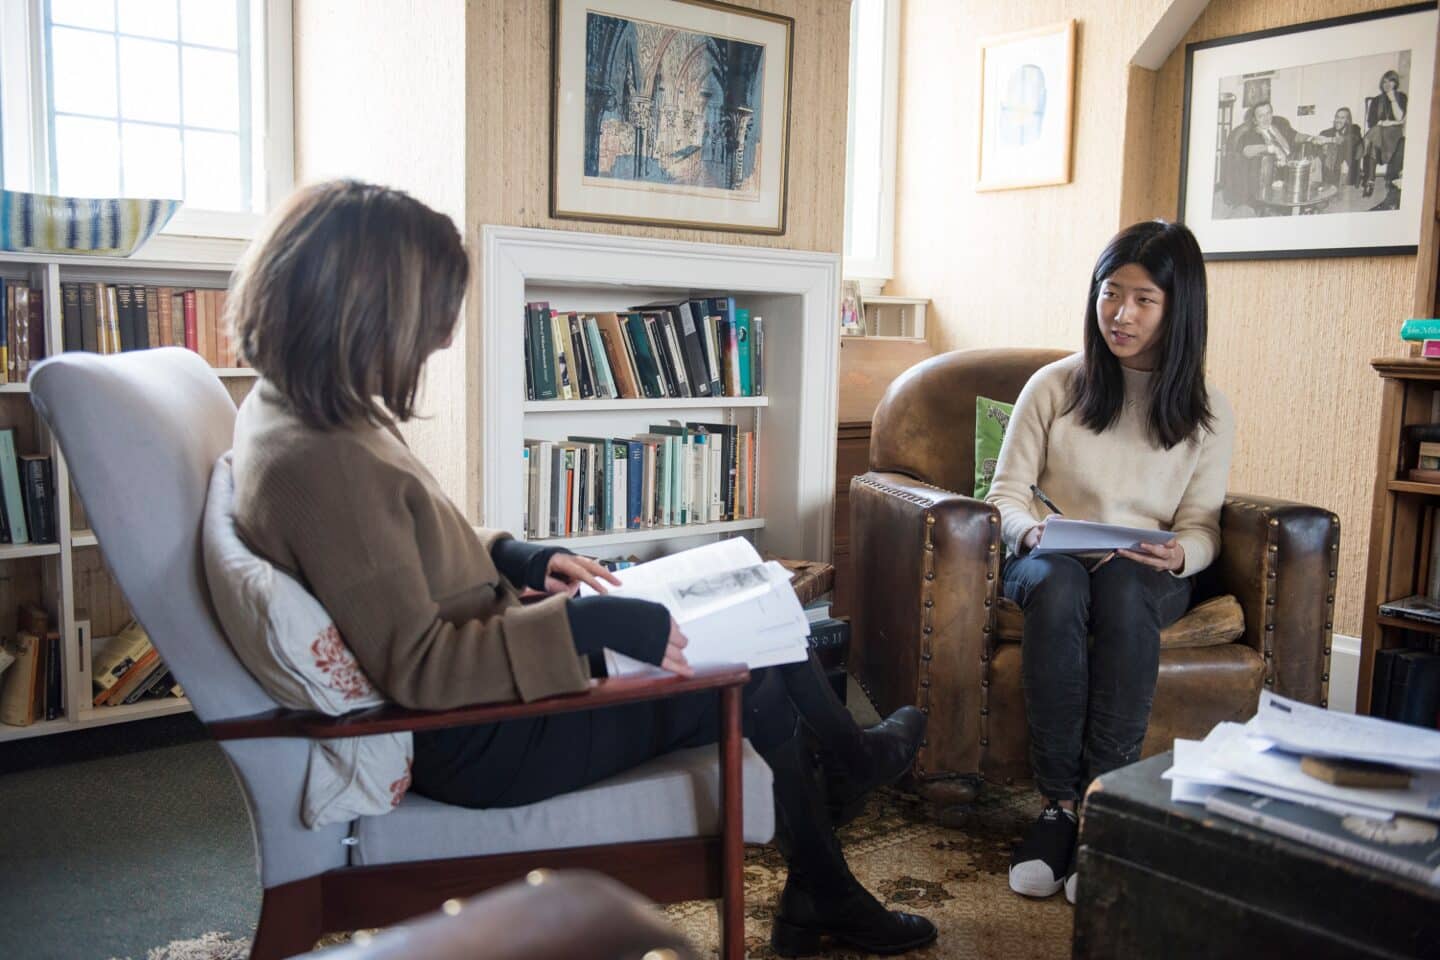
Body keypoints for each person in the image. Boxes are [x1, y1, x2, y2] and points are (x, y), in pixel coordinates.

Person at [225, 179, 936, 957]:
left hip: (500, 679)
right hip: (485, 737)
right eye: (432, 316)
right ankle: (827, 877)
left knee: (757, 594)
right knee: (747, 665)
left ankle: (849, 767)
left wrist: (517, 554)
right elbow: (421, 666)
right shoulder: (322, 463)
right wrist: (584, 622)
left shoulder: (305, 412)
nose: (441, 340)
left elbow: (410, 543)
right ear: (364, 309)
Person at [985, 220, 1235, 904]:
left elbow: (1202, 526)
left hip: (1145, 573)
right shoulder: (1054, 386)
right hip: (1051, 560)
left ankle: (1103, 808)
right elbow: (1004, 497)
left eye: (1143, 299)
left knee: (1126, 586)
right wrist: (1032, 536)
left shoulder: (1205, 412)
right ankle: (1058, 807)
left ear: (1179, 307)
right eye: (1110, 292)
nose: (1120, 313)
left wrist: (1183, 552)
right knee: (1061, 588)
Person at [1361, 70, 1407, 198]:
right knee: (1375, 138)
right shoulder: (1376, 100)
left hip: (1394, 134)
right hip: (1379, 133)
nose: (1387, 84)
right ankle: (1370, 181)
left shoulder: (1401, 97)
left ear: (1395, 83)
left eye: (1390, 81)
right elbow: (1371, 122)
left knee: (1372, 139)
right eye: (1385, 81)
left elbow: (1400, 119)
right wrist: (1381, 123)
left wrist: (1392, 99)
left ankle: (1370, 181)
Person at [1313, 106, 1362, 187]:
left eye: (1342, 118)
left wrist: (1330, 140)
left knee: (1338, 146)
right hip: (1329, 165)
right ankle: (1327, 182)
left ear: (1348, 120)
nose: (1338, 120)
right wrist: (1320, 143)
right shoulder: (1326, 132)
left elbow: (1352, 139)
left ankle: (1331, 182)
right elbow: (1318, 143)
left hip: (1346, 161)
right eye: (1337, 117)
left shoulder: (1355, 129)